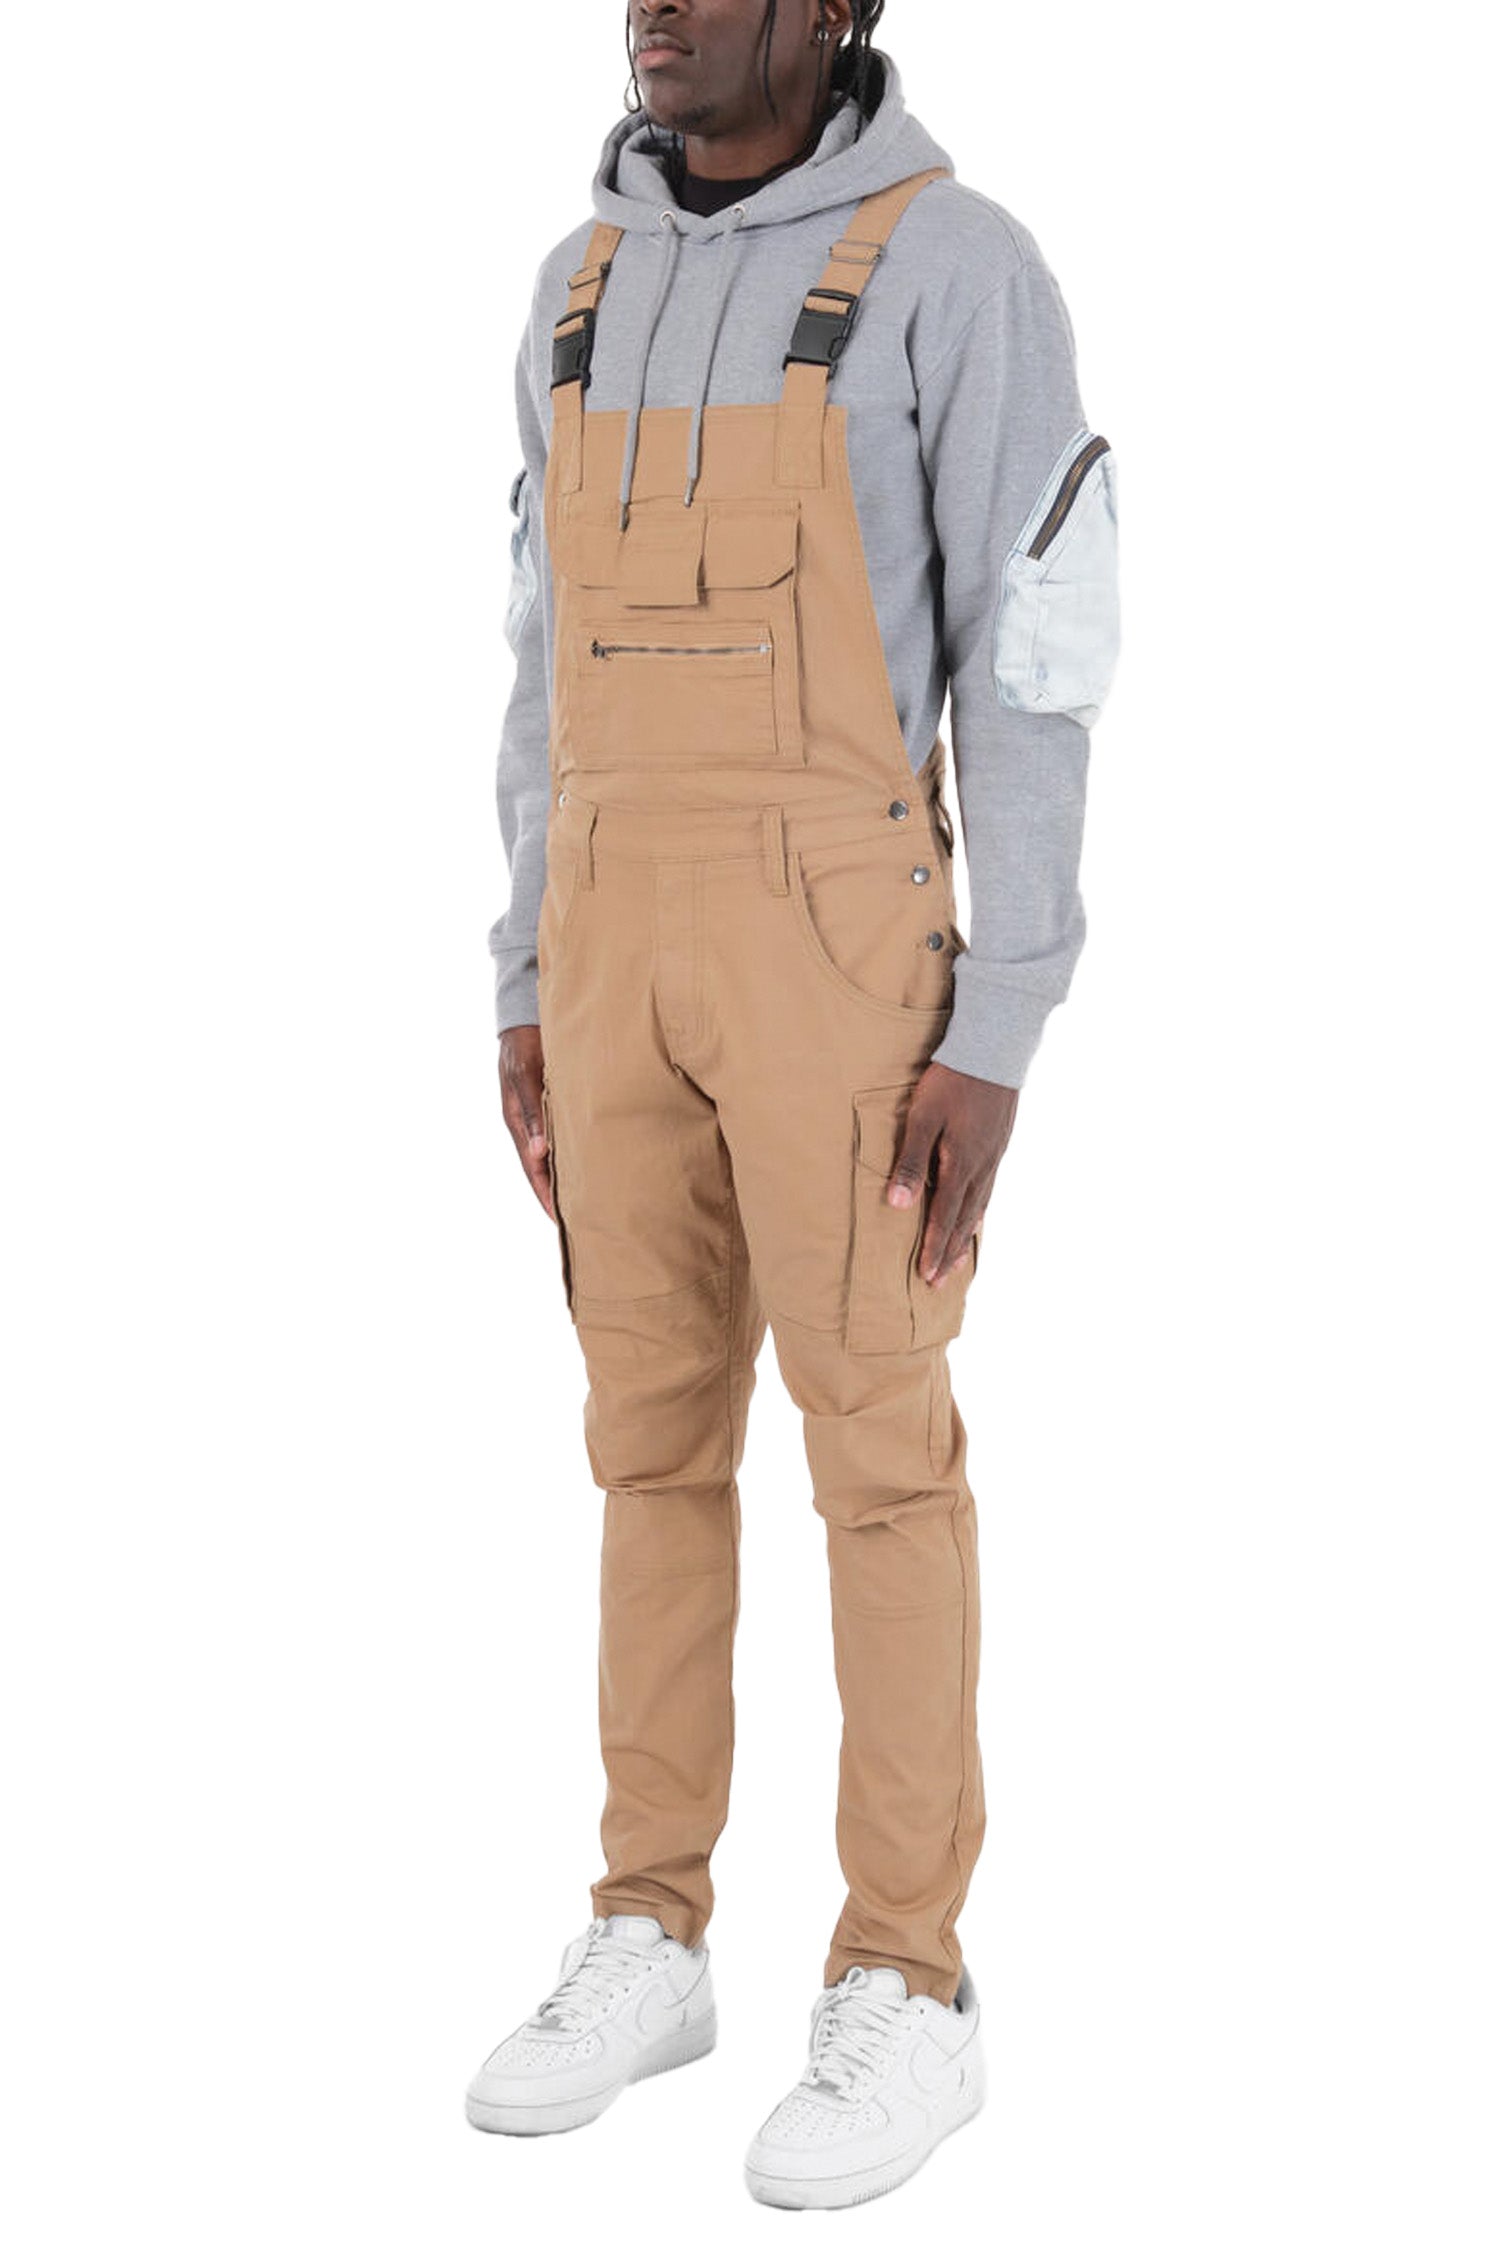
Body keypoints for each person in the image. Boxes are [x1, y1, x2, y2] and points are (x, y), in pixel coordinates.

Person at [469, 0, 1118, 2210]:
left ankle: (911, 1977)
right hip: (606, 929)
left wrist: (1000, 1015)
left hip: (839, 947)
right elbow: (540, 651)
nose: (652, 8)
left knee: (879, 1455)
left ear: (837, 3)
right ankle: (650, 1926)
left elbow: (1039, 651)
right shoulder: (575, 287)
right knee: (645, 1443)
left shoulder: (958, 267)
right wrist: (526, 972)